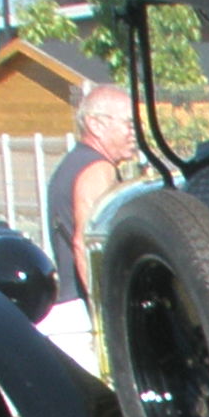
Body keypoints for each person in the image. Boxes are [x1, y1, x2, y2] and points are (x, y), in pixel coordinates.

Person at [49, 80, 138, 310]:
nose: (135, 132)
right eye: (129, 124)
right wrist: (106, 311)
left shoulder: (74, 163)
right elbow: (87, 244)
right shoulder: (98, 170)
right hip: (83, 312)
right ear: (96, 125)